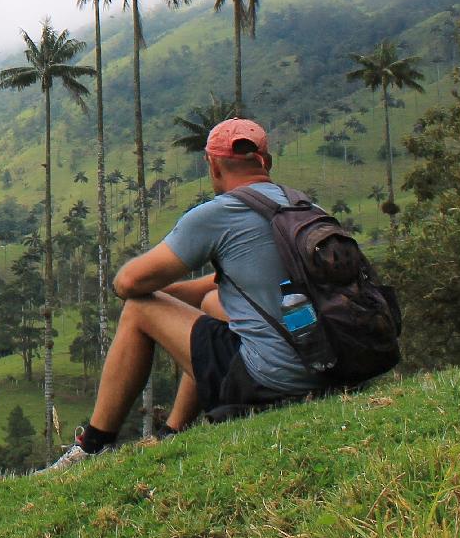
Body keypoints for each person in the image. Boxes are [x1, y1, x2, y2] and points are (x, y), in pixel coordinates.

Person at [42, 117, 324, 471]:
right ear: (265, 161)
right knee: (210, 304)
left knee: (139, 309)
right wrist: (175, 299)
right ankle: (174, 431)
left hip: (274, 381)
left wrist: (156, 298)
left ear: (213, 164)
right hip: (325, 368)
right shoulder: (302, 208)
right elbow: (231, 284)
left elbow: (128, 283)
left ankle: (92, 446)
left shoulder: (221, 213)